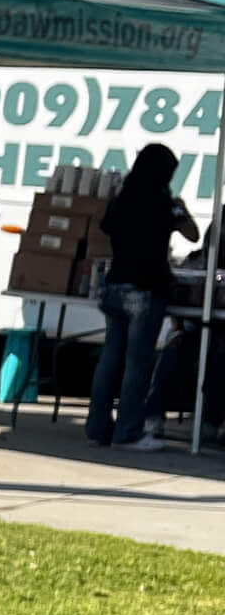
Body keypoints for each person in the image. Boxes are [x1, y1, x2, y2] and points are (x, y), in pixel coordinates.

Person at [90, 142, 198, 452]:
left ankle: (98, 427)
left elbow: (106, 226)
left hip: (114, 284)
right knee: (137, 365)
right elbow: (192, 233)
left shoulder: (123, 198)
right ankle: (128, 432)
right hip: (146, 289)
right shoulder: (164, 203)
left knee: (110, 360)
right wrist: (179, 210)